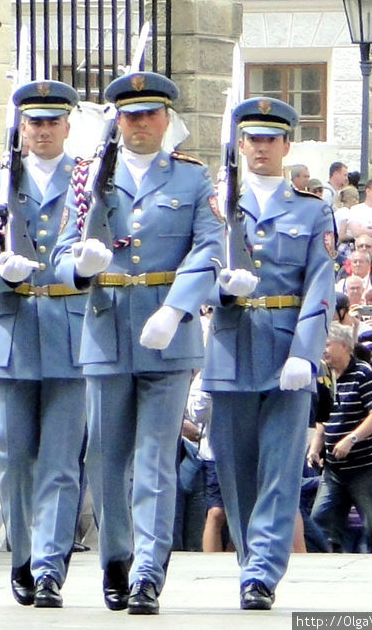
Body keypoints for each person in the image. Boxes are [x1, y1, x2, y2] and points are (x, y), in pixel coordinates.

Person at [53, 71, 223, 615]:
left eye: (150, 113)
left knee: (155, 458)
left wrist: (177, 306)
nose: (140, 123)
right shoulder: (89, 179)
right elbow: (61, 251)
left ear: (167, 119)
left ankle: (150, 568)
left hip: (165, 332)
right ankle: (116, 558)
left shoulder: (192, 180)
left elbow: (210, 247)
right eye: (130, 115)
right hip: (105, 326)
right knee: (105, 456)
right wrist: (79, 263)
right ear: (117, 121)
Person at [200, 97, 333, 610]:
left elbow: (321, 283)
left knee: (280, 469)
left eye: (270, 139)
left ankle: (262, 571)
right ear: (240, 143)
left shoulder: (312, 208)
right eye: (251, 138)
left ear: (286, 145)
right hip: (231, 344)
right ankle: (248, 560)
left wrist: (306, 350)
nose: (260, 147)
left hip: (285, 351)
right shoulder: (216, 204)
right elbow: (195, 275)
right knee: (234, 470)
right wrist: (220, 291)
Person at [0, 80, 86, 608]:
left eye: (51, 121)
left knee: (62, 460)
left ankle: (49, 566)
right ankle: (22, 551)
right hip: (15, 329)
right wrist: (0, 270)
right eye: (33, 122)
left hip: (68, 329)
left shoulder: (89, 180)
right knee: (13, 455)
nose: (41, 130)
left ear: (67, 125)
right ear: (20, 126)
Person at [308, 325, 372, 555]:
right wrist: (315, 448)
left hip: (365, 466)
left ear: (345, 346)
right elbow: (323, 419)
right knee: (320, 521)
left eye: (327, 344)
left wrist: (351, 439)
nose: (323, 350)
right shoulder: (323, 375)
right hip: (334, 468)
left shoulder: (363, 373)